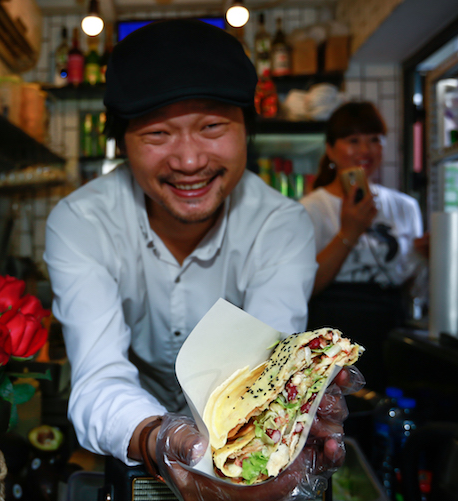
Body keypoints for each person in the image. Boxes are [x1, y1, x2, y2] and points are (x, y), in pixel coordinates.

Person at [44, 19, 362, 499]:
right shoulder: (81, 222)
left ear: (246, 130)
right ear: (121, 142)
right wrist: (164, 438)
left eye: (212, 127)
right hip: (134, 450)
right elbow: (97, 378)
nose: (189, 161)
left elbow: (265, 374)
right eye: (157, 135)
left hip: (243, 455)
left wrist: (293, 404)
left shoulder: (280, 225)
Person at [300, 101, 428, 391]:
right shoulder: (309, 209)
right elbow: (306, 286)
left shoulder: (405, 206)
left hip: (391, 328)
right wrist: (350, 231)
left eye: (374, 140)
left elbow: (411, 288)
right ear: (331, 150)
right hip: (334, 329)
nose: (365, 149)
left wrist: (423, 258)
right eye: (353, 140)